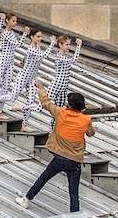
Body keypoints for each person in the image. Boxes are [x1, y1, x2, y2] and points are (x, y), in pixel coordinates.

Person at [15, 80, 95, 213]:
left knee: (44, 178)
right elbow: (91, 133)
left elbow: (46, 103)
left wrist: (41, 88)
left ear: (69, 105)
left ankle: (26, 199)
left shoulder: (61, 113)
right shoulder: (86, 120)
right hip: (74, 161)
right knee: (73, 193)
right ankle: (74, 215)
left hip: (58, 158)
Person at [0, 29, 56, 131]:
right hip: (24, 76)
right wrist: (52, 43)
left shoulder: (37, 47)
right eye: (38, 36)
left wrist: (23, 61)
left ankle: (24, 125)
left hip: (33, 77)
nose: (40, 38)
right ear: (32, 37)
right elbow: (44, 55)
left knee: (30, 101)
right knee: (12, 97)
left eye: (41, 36)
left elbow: (28, 57)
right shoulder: (31, 48)